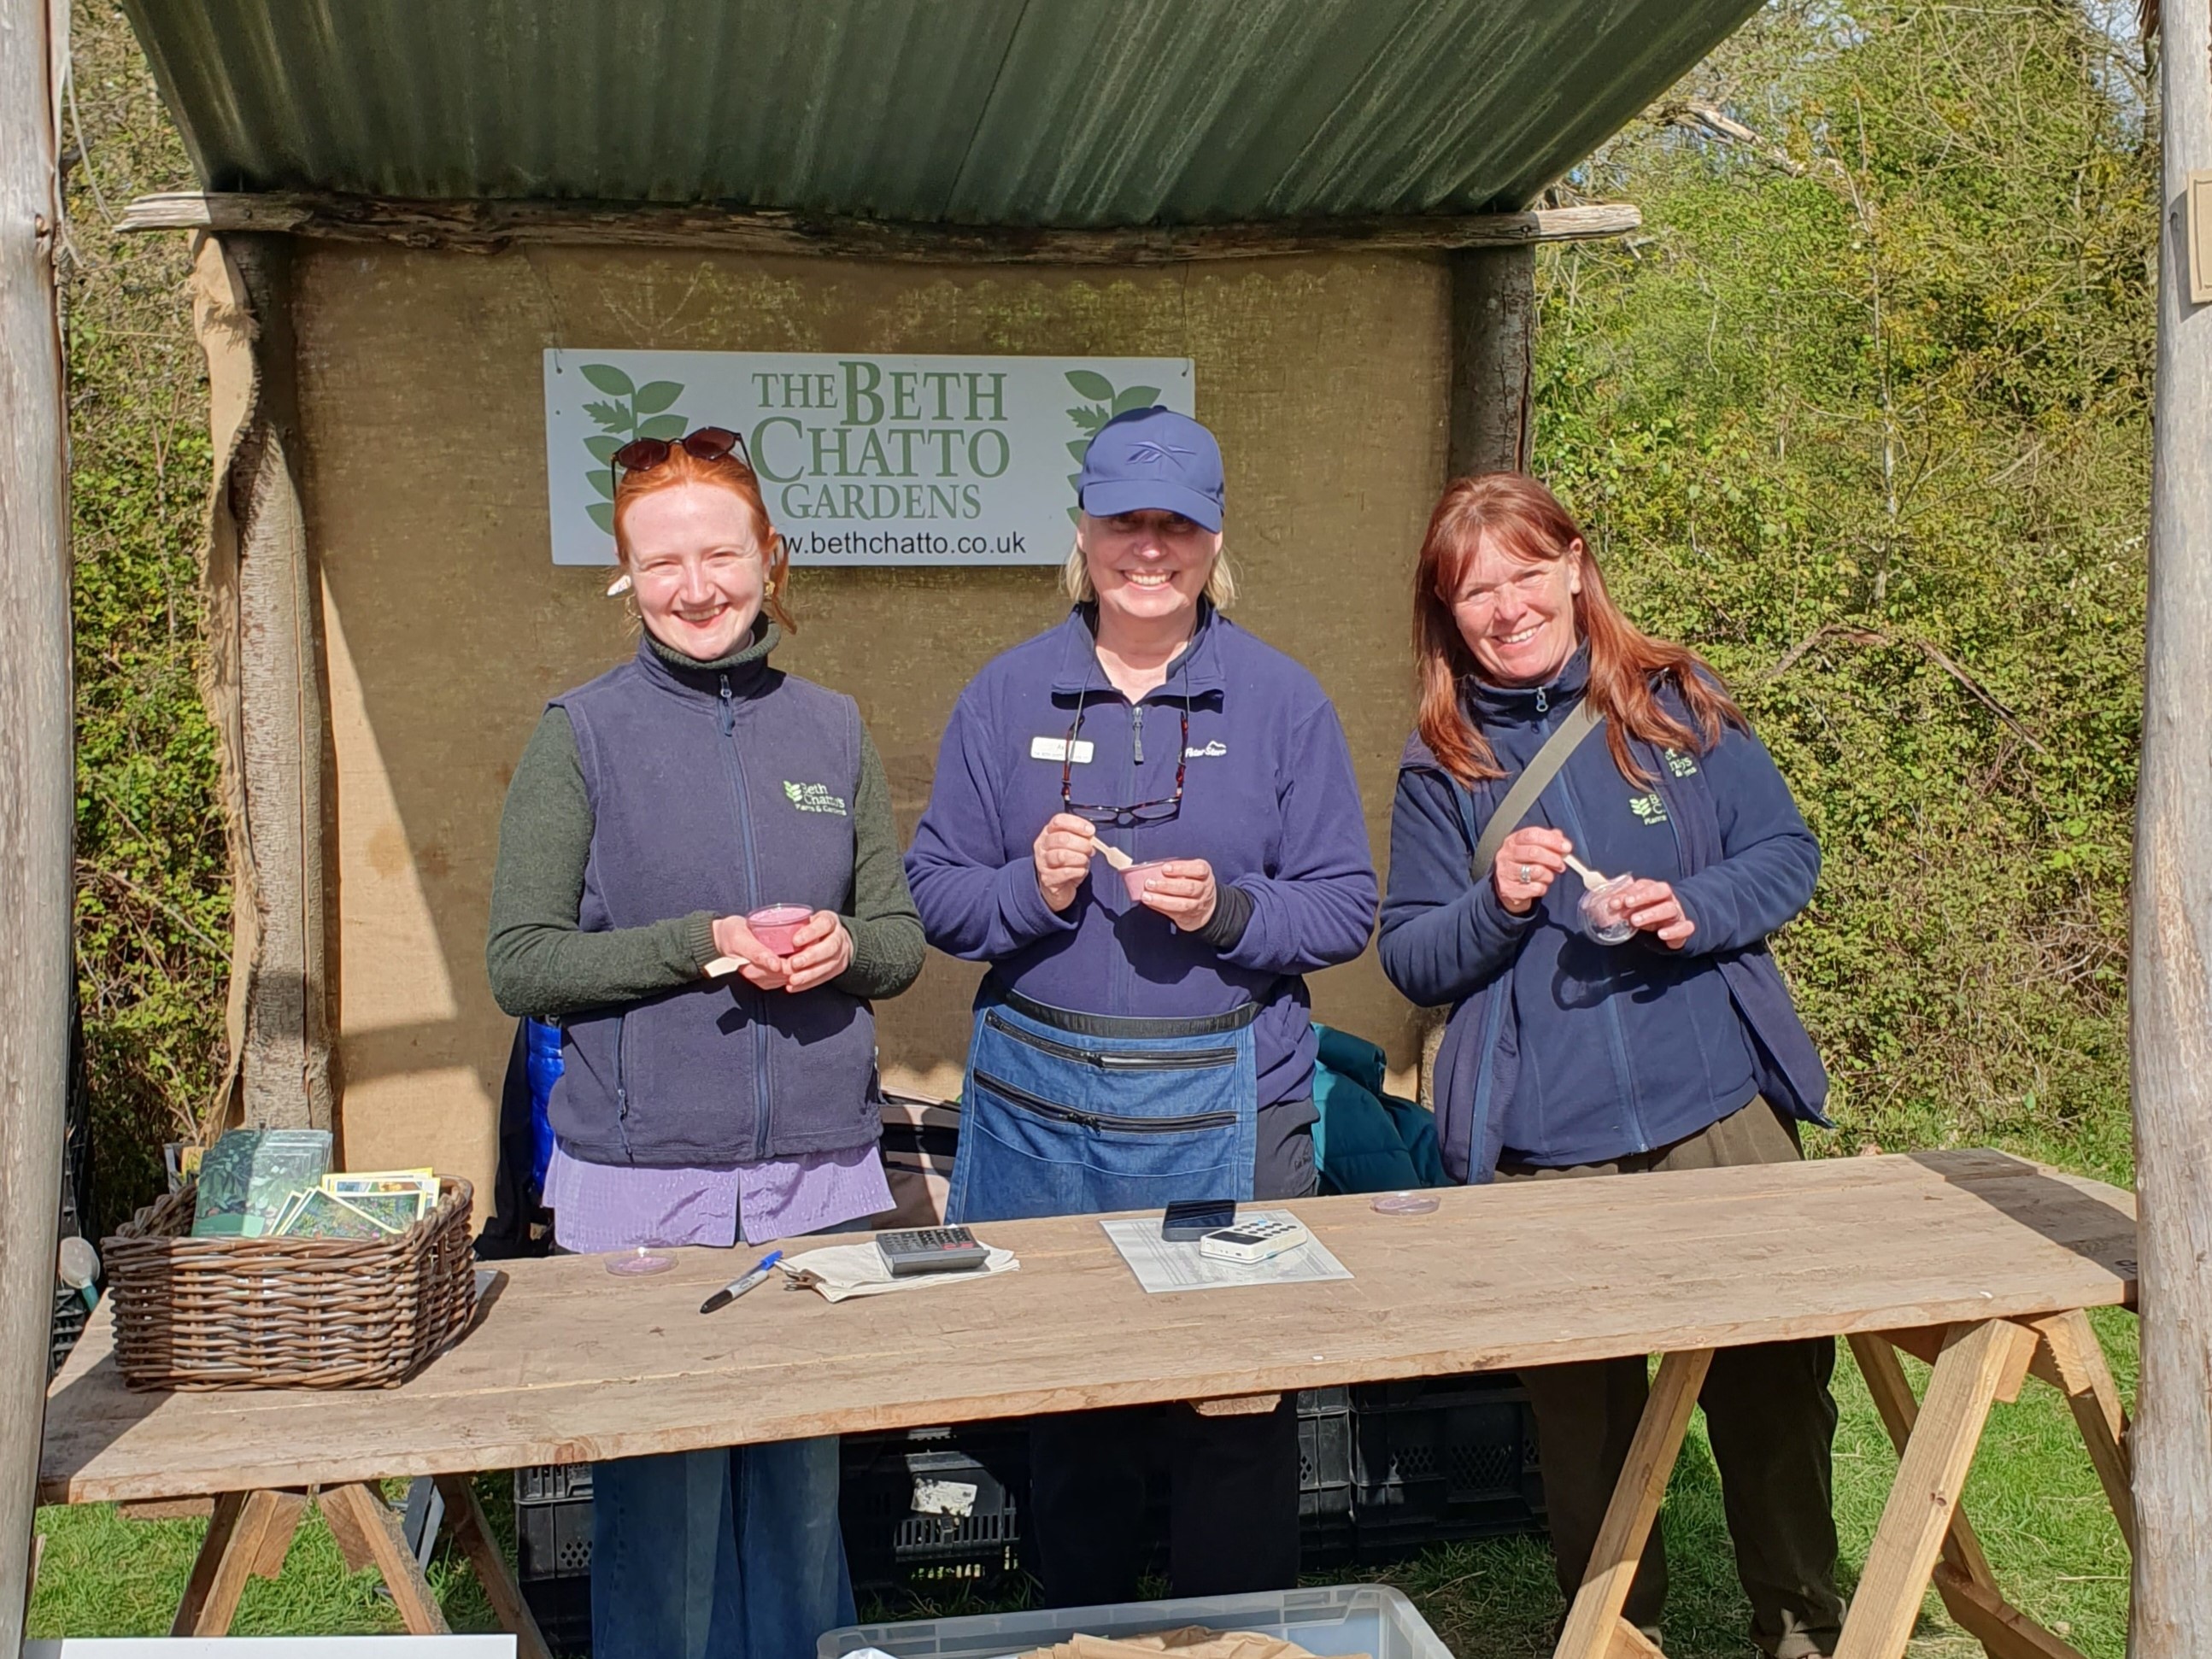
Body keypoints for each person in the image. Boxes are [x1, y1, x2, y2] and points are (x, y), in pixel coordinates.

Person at [905, 407, 1377, 1604]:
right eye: (1125, 521)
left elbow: (1342, 907)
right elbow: (937, 898)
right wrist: (1030, 886)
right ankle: (1085, 1635)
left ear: (1217, 537)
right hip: (1042, 1108)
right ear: (1082, 530)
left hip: (1234, 1099)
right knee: (1074, 1410)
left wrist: (1228, 911)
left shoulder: (1279, 700)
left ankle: (1235, 1636)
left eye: (1177, 523)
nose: (1149, 548)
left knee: (1235, 1403)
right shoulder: (1005, 694)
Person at [1377, 472, 1842, 1659]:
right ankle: (1613, 1629)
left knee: (1772, 1384)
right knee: (1581, 1419)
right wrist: (1496, 899)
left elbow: (1787, 850)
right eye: (1474, 590)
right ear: (1447, 612)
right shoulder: (1443, 759)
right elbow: (1414, 956)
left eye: (1525, 574)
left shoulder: (1675, 701)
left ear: (1576, 566)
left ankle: (1798, 1619)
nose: (1506, 606)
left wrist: (1693, 906)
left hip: (1716, 1106)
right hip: (1547, 1140)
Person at [485, 426, 924, 1659]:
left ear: (769, 557)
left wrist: (843, 941)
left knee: (798, 1505)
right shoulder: (579, 735)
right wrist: (701, 941)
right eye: (660, 561)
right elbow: (521, 961)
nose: (695, 585)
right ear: (626, 576)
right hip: (641, 1190)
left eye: (719, 553)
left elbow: (900, 938)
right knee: (663, 1518)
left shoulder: (831, 729)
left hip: (819, 1182)